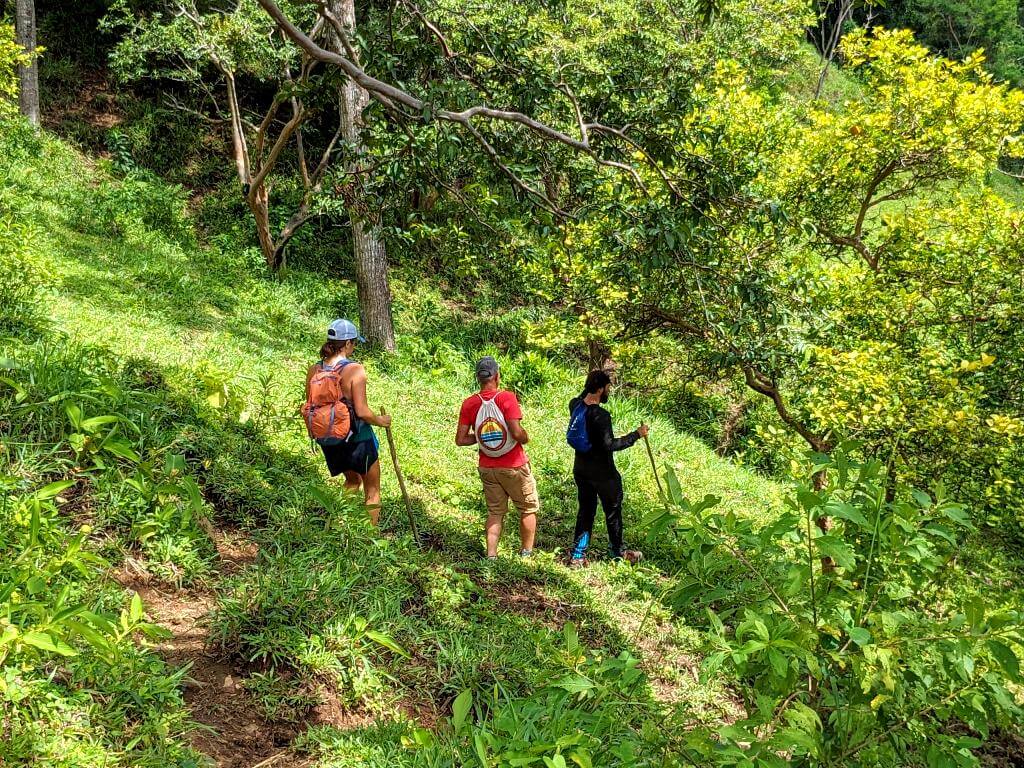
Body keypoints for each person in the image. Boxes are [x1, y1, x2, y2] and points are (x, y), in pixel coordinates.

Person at [306, 318, 391, 525]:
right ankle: (368, 536)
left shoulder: (314, 369)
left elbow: (310, 405)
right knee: (372, 489)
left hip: (329, 439)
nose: (354, 347)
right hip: (358, 438)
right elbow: (361, 411)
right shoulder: (355, 370)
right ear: (346, 344)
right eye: (353, 343)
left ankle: (339, 525)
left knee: (352, 481)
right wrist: (381, 421)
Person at [455, 356, 539, 559]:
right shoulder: (506, 398)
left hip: (487, 467)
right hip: (514, 465)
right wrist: (526, 438)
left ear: (478, 378)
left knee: (495, 512)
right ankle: (526, 553)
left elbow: (461, 439)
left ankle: (491, 555)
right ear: (497, 376)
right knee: (528, 507)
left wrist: (483, 437)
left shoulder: (469, 404)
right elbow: (517, 433)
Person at [567, 370, 647, 567]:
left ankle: (578, 555)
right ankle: (618, 552)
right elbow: (609, 445)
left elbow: (582, 399)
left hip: (581, 470)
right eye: (608, 388)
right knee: (612, 512)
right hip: (603, 474)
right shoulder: (600, 415)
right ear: (601, 388)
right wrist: (636, 434)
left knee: (586, 511)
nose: (608, 392)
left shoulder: (575, 404)